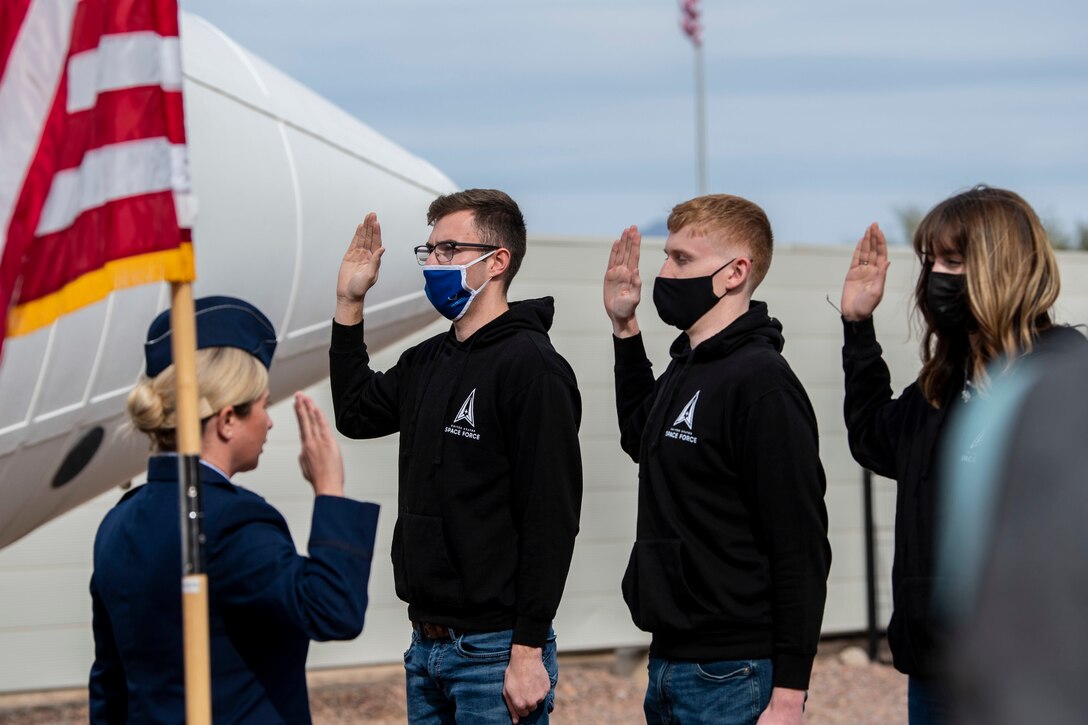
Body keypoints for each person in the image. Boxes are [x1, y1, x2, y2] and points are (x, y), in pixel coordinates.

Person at [329, 189, 583, 724]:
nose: (433, 263)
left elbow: (550, 519)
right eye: (429, 252)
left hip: (494, 653)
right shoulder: (426, 360)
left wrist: (528, 651)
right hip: (426, 646)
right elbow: (354, 413)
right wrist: (350, 304)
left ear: (496, 261)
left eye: (448, 249)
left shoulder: (533, 369)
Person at [838, 185, 1078, 724]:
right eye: (929, 262)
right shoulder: (944, 380)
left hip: (1029, 675)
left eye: (952, 260)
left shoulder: (1061, 375)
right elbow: (875, 441)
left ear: (1002, 267)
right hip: (935, 671)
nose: (934, 278)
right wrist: (857, 327)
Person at [89, 296, 380, 724]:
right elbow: (333, 610)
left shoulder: (118, 521)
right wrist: (329, 490)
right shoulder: (232, 522)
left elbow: (108, 682)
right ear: (226, 420)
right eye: (262, 405)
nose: (269, 421)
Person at [603, 194, 831, 725]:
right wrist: (625, 328)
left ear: (735, 273)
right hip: (671, 661)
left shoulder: (761, 384)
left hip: (734, 673)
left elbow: (801, 547)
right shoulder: (688, 363)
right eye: (667, 256)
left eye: (682, 259)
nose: (663, 272)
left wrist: (790, 694)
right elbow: (640, 436)